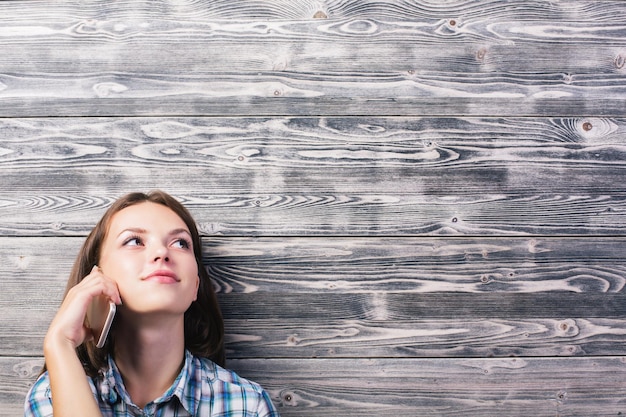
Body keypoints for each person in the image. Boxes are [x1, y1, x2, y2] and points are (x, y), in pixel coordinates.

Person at [24, 190, 280, 416]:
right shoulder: (51, 395)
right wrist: (59, 344)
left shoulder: (246, 405)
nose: (162, 252)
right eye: (134, 241)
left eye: (180, 243)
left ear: (195, 286)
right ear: (96, 277)